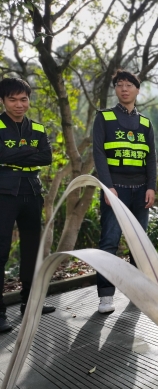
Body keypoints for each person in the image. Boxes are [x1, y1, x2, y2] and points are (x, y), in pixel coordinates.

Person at [93, 69, 157, 313]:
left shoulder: (145, 123)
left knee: (139, 244)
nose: (124, 89)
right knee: (109, 241)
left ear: (137, 90)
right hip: (116, 188)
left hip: (141, 190)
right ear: (115, 89)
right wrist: (107, 186)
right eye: (120, 84)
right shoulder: (104, 117)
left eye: (129, 85)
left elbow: (151, 158)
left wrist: (151, 186)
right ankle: (105, 296)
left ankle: (138, 292)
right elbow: (99, 153)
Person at [0, 77, 55, 332]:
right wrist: (29, 152)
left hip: (32, 193)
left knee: (32, 250)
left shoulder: (38, 129)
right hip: (4, 194)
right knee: (1, 252)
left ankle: (30, 304)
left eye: (23, 99)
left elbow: (47, 157)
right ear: (3, 100)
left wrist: (12, 157)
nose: (19, 104)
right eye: (12, 99)